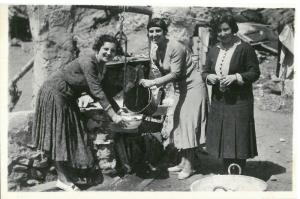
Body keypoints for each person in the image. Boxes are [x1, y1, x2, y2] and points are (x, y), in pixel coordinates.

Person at [31, 34, 128, 191]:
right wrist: (114, 116)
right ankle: (62, 180)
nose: (109, 53)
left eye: (113, 51)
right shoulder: (88, 60)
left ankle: (69, 175)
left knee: (71, 136)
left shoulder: (101, 65)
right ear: (98, 48)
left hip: (68, 98)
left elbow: (104, 91)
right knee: (59, 138)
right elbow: (96, 90)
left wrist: (119, 110)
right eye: (106, 49)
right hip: (54, 93)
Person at [139, 18, 207, 180]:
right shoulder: (155, 50)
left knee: (188, 124)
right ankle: (183, 161)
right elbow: (164, 74)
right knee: (177, 123)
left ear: (164, 32)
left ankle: (190, 166)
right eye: (151, 31)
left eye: (158, 31)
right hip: (179, 88)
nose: (154, 34)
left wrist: (153, 83)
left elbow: (175, 73)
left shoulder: (176, 47)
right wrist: (158, 88)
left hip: (193, 87)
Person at [202, 14, 260, 174]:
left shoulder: (245, 48)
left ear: (233, 29)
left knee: (238, 135)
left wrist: (235, 77)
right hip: (219, 101)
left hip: (240, 101)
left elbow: (254, 72)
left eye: (225, 29)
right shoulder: (214, 50)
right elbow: (205, 71)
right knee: (224, 134)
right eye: (218, 30)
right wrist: (209, 77)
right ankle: (227, 170)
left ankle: (238, 171)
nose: (222, 33)